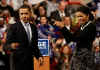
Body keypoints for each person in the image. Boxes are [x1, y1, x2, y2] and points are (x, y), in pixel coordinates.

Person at [55, 5, 96, 70]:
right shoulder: (81, 26)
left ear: (87, 16)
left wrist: (63, 28)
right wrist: (62, 28)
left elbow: (76, 39)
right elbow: (70, 39)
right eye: (77, 16)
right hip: (78, 54)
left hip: (86, 56)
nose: (78, 18)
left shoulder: (91, 26)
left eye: (80, 16)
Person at [4, 5, 43, 70]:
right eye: (21, 14)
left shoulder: (33, 27)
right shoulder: (13, 27)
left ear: (30, 13)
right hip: (17, 63)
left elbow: (34, 45)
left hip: (29, 63)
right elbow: (5, 46)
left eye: (26, 13)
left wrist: (39, 56)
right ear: (19, 15)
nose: (24, 16)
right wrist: (11, 46)